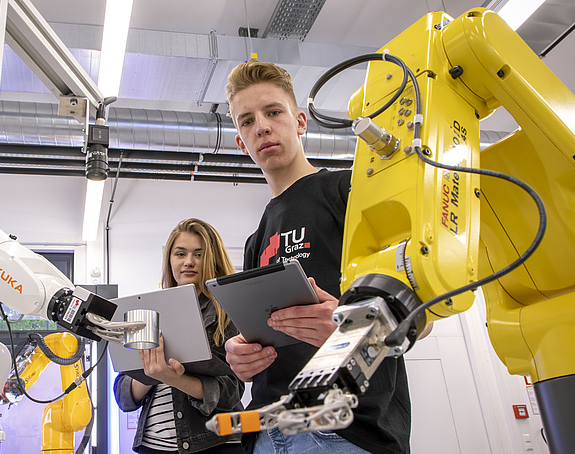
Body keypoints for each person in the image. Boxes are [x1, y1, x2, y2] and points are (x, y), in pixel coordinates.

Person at [223, 60, 413, 454]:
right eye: (247, 121)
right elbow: (263, 335)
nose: (261, 126)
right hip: (265, 433)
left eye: (273, 112)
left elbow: (420, 309)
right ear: (241, 142)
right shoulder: (256, 239)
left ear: (300, 121)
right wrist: (240, 356)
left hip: (343, 430)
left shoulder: (349, 192)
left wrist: (353, 330)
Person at [114, 218, 246, 454]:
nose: (188, 262)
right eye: (180, 254)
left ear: (212, 259)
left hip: (214, 443)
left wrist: (173, 378)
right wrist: (151, 374)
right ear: (169, 260)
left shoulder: (227, 310)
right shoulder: (146, 312)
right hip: (152, 445)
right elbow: (123, 395)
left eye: (198, 254)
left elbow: (232, 391)